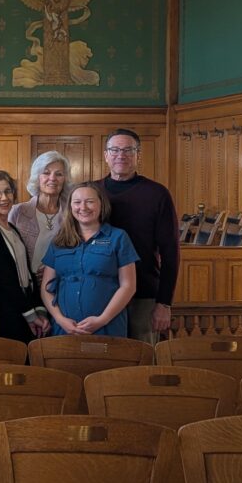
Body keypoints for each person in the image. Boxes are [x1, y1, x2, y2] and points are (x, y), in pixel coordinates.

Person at [100, 128, 180, 344]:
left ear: (138, 155)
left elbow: (170, 252)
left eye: (128, 150)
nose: (121, 155)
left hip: (143, 294)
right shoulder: (91, 192)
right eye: (115, 150)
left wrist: (164, 303)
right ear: (106, 155)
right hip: (99, 291)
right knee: (103, 360)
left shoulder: (157, 194)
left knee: (142, 363)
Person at [41, 182, 139, 337]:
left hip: (108, 328)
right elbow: (46, 288)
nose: (83, 207)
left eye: (90, 201)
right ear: (70, 206)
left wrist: (102, 319)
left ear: (102, 205)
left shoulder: (118, 237)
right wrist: (59, 319)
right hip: (65, 330)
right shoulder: (59, 242)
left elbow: (128, 286)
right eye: (77, 202)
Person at [0, 170, 48, 342]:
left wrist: (39, 309)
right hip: (6, 310)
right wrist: (30, 314)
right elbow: (3, 275)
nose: (4, 198)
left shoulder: (12, 228)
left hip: (23, 305)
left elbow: (27, 273)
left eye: (8, 191)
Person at [8, 150, 71, 286]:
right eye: (46, 173)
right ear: (37, 178)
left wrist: (55, 270)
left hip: (61, 285)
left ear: (65, 179)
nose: (52, 178)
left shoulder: (72, 214)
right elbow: (6, 250)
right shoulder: (17, 211)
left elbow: (78, 252)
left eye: (59, 174)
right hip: (23, 285)